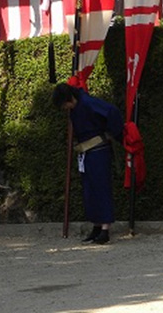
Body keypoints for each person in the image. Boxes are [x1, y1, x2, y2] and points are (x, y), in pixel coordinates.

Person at [52, 82, 123, 244]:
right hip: (87, 152)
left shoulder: (88, 103)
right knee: (90, 191)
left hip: (98, 149)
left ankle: (105, 228)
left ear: (69, 99)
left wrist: (115, 133)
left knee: (101, 188)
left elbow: (111, 111)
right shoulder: (77, 107)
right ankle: (97, 226)